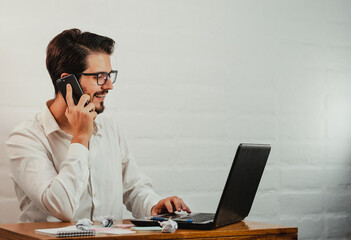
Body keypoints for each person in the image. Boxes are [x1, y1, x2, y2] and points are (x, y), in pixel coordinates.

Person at [6, 28, 191, 223]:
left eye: (110, 75)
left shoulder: (110, 129)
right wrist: (80, 138)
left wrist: (154, 205)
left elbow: (133, 189)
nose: (109, 85)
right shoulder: (25, 138)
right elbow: (61, 208)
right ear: (67, 82)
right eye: (100, 76)